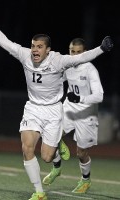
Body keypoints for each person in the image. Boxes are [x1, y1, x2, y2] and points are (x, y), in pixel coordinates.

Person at [0, 5, 113, 200]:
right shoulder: (25, 55)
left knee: (47, 157)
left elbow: (81, 57)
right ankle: (39, 192)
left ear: (48, 50)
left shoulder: (58, 61)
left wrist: (101, 49)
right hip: (33, 108)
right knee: (26, 148)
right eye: (33, 46)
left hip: (53, 111)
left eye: (39, 47)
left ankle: (56, 148)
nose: (34, 50)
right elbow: (3, 41)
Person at [43, 38, 104, 194]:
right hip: (68, 109)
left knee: (81, 153)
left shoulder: (91, 70)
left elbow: (99, 96)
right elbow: (55, 78)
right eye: (72, 51)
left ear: (85, 53)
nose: (75, 55)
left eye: (79, 52)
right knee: (51, 136)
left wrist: (81, 99)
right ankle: (56, 168)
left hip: (87, 115)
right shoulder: (67, 66)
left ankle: (85, 180)